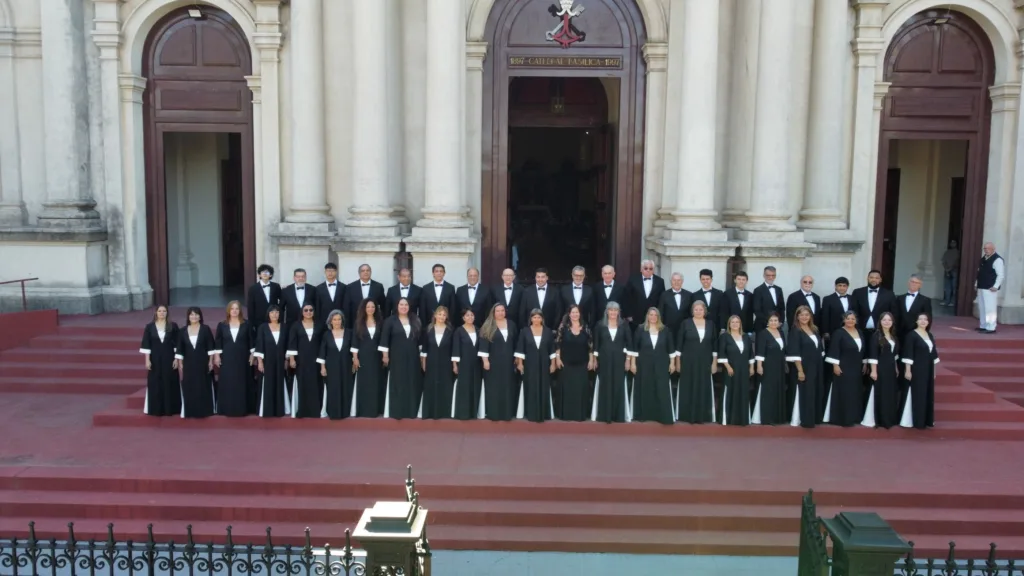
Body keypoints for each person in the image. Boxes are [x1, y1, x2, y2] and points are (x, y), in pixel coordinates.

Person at [630, 307, 676, 424]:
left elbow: (671, 349)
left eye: (655, 315)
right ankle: (644, 415)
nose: (653, 317)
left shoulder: (665, 330)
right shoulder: (640, 329)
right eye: (651, 315)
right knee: (645, 387)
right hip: (644, 363)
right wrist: (632, 364)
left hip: (662, 363)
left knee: (661, 388)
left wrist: (672, 363)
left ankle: (662, 416)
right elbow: (635, 349)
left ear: (659, 317)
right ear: (647, 316)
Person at [380, 298, 423, 419]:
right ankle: (398, 411)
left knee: (412, 381)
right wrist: (385, 355)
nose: (404, 307)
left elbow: (419, 340)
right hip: (396, 357)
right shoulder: (390, 321)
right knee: (398, 382)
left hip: (413, 357)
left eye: (406, 304)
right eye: (401, 304)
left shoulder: (415, 319)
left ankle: (411, 411)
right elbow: (384, 339)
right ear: (397, 306)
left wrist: (421, 356)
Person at [676, 300, 718, 424]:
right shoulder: (685, 323)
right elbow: (679, 344)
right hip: (688, 360)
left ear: (704, 311)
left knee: (703, 386)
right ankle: (686, 415)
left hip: (705, 360)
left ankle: (703, 416)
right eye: (696, 309)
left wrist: (714, 362)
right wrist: (678, 362)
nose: (698, 312)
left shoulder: (711, 324)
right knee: (688, 386)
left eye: (700, 309)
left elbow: (714, 345)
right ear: (692, 311)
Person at [591, 301, 632, 423]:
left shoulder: (624, 325)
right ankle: (604, 415)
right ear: (607, 311)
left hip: (620, 360)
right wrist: (594, 360)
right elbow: (596, 345)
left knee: (619, 386)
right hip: (604, 361)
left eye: (615, 310)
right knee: (605, 385)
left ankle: (618, 415)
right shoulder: (599, 325)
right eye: (611, 310)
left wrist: (628, 360)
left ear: (619, 312)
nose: (613, 312)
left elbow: (629, 343)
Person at [212, 300, 254, 417]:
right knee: (228, 382)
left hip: (242, 357)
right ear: (228, 311)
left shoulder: (246, 324)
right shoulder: (222, 325)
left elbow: (251, 340)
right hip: (227, 358)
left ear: (240, 310)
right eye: (232, 309)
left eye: (236, 309)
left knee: (242, 381)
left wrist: (252, 354)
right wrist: (217, 356)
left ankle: (242, 409)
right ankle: (227, 408)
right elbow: (218, 341)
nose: (234, 311)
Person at [824, 311, 865, 427]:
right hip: (843, 366)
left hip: (856, 367)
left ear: (856, 320)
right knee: (844, 392)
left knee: (854, 391)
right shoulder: (839, 333)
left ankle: (854, 417)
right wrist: (835, 365)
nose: (850, 321)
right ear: (843, 320)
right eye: (848, 318)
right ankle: (842, 418)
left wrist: (864, 363)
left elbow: (861, 350)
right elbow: (834, 349)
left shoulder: (860, 332)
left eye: (852, 319)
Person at [515, 308, 557, 422]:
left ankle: (544, 413)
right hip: (530, 364)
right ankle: (531, 413)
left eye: (539, 317)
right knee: (531, 386)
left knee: (544, 386)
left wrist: (553, 364)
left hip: (544, 364)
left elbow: (552, 350)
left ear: (542, 319)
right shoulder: (525, 331)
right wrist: (520, 363)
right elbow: (520, 349)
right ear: (531, 319)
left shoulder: (548, 331)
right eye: (534, 317)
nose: (536, 319)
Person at [786, 305, 824, 428]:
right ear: (797, 316)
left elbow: (819, 349)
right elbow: (795, 353)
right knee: (805, 393)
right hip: (803, 367)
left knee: (813, 392)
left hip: (815, 366)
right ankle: (803, 419)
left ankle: (814, 417)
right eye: (801, 315)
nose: (804, 317)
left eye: (807, 315)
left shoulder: (814, 329)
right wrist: (800, 371)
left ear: (810, 316)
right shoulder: (795, 331)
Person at [479, 303, 518, 421]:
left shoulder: (512, 325)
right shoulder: (488, 325)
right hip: (493, 362)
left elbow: (516, 342)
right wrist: (485, 361)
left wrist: (517, 359)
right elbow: (484, 344)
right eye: (498, 311)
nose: (500, 313)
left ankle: (507, 413)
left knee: (508, 386)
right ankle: (494, 413)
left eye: (502, 310)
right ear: (493, 312)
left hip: (508, 362)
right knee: (494, 387)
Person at [175, 307, 216, 418]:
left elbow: (210, 346)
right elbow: (180, 348)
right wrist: (180, 362)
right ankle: (190, 410)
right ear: (188, 317)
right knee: (190, 385)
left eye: (196, 314)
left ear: (200, 316)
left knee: (203, 385)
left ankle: (205, 410)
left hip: (203, 361)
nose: (194, 316)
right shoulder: (183, 330)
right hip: (188, 362)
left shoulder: (205, 329)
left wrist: (211, 361)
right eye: (192, 314)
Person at [139, 305, 180, 416]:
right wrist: (147, 360)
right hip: (155, 359)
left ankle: (170, 409)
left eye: (164, 311)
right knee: (155, 383)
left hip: (169, 358)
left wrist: (176, 359)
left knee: (169, 381)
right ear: (156, 313)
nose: (162, 313)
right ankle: (156, 409)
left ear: (167, 313)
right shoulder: (149, 327)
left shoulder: (173, 326)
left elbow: (177, 344)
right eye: (160, 311)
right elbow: (146, 345)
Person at [900, 313, 939, 429]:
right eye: (920, 319)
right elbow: (908, 353)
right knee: (916, 393)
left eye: (925, 319)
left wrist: (934, 371)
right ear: (916, 321)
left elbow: (933, 355)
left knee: (926, 394)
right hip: (916, 369)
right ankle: (913, 420)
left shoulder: (930, 335)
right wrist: (908, 370)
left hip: (928, 369)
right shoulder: (911, 335)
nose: (923, 321)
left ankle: (924, 420)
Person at [556, 304, 594, 422]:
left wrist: (591, 360)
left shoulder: (586, 328)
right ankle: (566, 415)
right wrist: (558, 358)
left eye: (577, 312)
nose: (575, 314)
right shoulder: (563, 327)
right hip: (566, 364)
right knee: (567, 390)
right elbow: (558, 344)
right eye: (572, 312)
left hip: (582, 364)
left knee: (581, 389)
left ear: (580, 314)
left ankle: (580, 415)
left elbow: (590, 346)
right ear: (569, 314)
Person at [286, 303, 322, 418]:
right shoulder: (296, 326)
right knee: (302, 384)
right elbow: (292, 343)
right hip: (301, 360)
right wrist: (291, 359)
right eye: (306, 310)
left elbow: (323, 343)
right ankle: (302, 410)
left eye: (311, 310)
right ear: (302, 312)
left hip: (316, 360)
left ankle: (316, 410)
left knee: (316, 384)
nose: (308, 312)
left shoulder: (320, 325)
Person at [865, 312, 900, 429]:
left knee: (889, 393)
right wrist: (873, 371)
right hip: (880, 368)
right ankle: (879, 419)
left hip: (890, 369)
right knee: (880, 392)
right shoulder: (876, 336)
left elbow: (894, 354)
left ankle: (889, 418)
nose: (887, 322)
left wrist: (895, 367)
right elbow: (873, 355)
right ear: (880, 322)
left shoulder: (893, 336)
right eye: (884, 320)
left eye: (889, 320)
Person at [317, 310, 354, 419]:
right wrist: (322, 367)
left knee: (346, 387)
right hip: (331, 366)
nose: (337, 322)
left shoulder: (349, 332)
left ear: (342, 321)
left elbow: (353, 350)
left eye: (339, 319)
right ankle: (333, 412)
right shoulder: (326, 335)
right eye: (334, 319)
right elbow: (322, 352)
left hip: (346, 365)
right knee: (333, 388)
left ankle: (345, 411)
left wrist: (353, 363)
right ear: (330, 321)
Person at [718, 315, 754, 426]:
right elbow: (722, 353)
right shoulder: (724, 337)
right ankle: (727, 418)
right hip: (730, 369)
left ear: (740, 324)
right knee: (730, 392)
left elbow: (750, 354)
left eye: (737, 322)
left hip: (743, 369)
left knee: (743, 392)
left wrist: (751, 367)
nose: (734, 324)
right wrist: (728, 366)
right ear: (729, 324)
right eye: (732, 322)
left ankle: (742, 418)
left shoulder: (746, 337)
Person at [420, 306, 455, 419]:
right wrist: (423, 363)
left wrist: (454, 364)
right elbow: (424, 348)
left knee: (445, 387)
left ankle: (445, 412)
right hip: (431, 363)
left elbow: (454, 349)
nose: (441, 317)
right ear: (435, 315)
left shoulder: (450, 330)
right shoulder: (428, 329)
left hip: (446, 363)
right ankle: (430, 412)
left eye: (444, 315)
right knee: (431, 386)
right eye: (439, 314)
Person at [254, 305, 289, 417]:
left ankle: (280, 409)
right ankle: (267, 409)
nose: (274, 314)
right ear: (268, 314)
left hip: (280, 360)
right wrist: (260, 361)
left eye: (277, 312)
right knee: (267, 383)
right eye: (272, 312)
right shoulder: (263, 327)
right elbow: (259, 345)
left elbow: (288, 344)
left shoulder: (284, 327)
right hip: (267, 360)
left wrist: (286, 360)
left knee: (280, 381)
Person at [351, 299, 384, 417]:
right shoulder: (358, 323)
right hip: (363, 357)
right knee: (364, 383)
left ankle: (375, 409)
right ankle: (363, 410)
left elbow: (383, 340)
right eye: (368, 307)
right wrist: (355, 358)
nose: (371, 309)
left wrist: (384, 355)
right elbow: (355, 342)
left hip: (377, 357)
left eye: (373, 307)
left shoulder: (380, 322)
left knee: (376, 382)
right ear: (364, 308)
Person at [752, 312, 787, 425]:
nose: (773, 322)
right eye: (771, 320)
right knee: (768, 391)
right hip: (767, 366)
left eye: (775, 320)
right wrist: (759, 366)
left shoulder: (781, 332)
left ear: (779, 322)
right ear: (767, 322)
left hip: (779, 365)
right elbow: (760, 351)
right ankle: (767, 418)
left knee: (778, 389)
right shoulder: (763, 333)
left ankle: (777, 417)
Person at [451, 308, 483, 419]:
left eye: (472, 315)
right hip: (464, 363)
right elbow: (456, 348)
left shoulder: (478, 330)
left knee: (475, 386)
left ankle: (473, 412)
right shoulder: (459, 331)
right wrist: (455, 365)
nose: (470, 317)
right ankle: (463, 413)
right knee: (464, 387)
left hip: (476, 364)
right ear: (463, 318)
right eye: (467, 315)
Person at [851, 269, 894, 342]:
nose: (874, 280)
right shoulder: (857, 292)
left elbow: (893, 312)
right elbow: (853, 310)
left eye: (876, 278)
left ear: (880, 280)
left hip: (880, 331)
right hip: (860, 330)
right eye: (871, 277)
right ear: (867, 278)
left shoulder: (889, 294)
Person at [625, 260, 665, 331]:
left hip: (653, 318)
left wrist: (659, 315)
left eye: (651, 268)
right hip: (636, 317)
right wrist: (628, 314)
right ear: (641, 269)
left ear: (653, 270)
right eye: (646, 268)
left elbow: (661, 299)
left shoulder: (660, 281)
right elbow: (627, 297)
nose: (648, 270)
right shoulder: (633, 279)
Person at [975, 241, 1005, 333]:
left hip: (990, 288)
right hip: (982, 286)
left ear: (993, 249)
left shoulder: (997, 259)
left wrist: (996, 286)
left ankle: (991, 327)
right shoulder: (983, 258)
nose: (986, 250)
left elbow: (1001, 275)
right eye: (985, 248)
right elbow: (979, 273)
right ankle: (983, 325)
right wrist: (976, 284)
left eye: (988, 248)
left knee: (990, 308)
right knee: (982, 307)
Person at [344, 264, 385, 328]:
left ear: (370, 272)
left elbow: (383, 306)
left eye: (367, 270)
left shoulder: (378, 286)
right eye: (363, 271)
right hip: (355, 322)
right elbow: (347, 307)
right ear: (359, 273)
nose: (365, 272)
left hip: (374, 322)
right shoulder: (350, 287)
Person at [246, 264, 281, 337]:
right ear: (259, 275)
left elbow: (282, 300)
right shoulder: (253, 288)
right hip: (259, 320)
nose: (265, 274)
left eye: (267, 272)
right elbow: (251, 306)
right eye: (263, 272)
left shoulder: (276, 286)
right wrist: (251, 323)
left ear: (271, 275)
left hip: (274, 318)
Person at [894, 274, 932, 339]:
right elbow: (895, 315)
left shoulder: (925, 300)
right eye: (912, 281)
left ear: (920, 285)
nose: (913, 284)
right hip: (900, 333)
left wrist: (924, 333)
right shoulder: (900, 298)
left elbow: (928, 318)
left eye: (916, 282)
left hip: (917, 333)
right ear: (908, 283)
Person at [281, 268, 315, 334]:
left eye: (303, 276)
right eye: (298, 276)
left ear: (305, 277)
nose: (300, 278)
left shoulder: (313, 289)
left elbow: (316, 306)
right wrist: (282, 324)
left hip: (309, 323)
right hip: (291, 324)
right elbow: (281, 308)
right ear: (294, 278)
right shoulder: (286, 290)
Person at [593, 265, 627, 329]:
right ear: (602, 274)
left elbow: (624, 304)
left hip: (616, 321)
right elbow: (594, 305)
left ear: (614, 274)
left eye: (609, 273)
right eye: (605, 273)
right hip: (600, 320)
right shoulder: (596, 287)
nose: (607, 275)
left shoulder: (621, 287)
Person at [753, 266, 786, 332]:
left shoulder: (779, 289)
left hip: (777, 326)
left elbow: (782, 308)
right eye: (768, 275)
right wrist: (769, 323)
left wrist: (780, 322)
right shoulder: (758, 290)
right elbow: (757, 310)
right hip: (762, 326)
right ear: (764, 275)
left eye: (773, 275)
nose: (771, 277)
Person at [659, 272, 691, 337]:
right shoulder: (664, 295)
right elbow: (661, 312)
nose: (676, 282)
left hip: (684, 329)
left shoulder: (689, 295)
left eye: (679, 280)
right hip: (668, 329)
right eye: (674, 280)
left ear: (682, 281)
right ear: (671, 282)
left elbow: (691, 313)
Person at [315, 263, 344, 328]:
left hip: (340, 321)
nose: (330, 273)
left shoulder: (343, 287)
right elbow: (317, 306)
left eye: (332, 271)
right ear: (325, 272)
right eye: (328, 271)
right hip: (323, 321)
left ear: (336, 272)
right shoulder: (318, 288)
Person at [940, 239, 960, 307]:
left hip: (954, 271)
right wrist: (947, 269)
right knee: (947, 288)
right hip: (947, 272)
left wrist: (950, 269)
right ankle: (947, 301)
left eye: (954, 242)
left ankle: (953, 301)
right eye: (951, 242)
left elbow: (957, 262)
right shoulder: (947, 252)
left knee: (954, 287)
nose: (952, 244)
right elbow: (943, 262)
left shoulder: (958, 252)